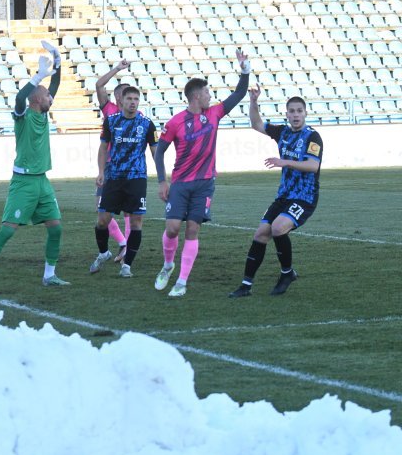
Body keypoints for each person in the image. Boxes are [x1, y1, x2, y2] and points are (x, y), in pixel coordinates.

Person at [0, 41, 68, 291]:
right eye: (46, 95)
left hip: (42, 181)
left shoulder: (43, 112)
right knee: (8, 230)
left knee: (56, 228)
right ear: (37, 100)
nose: (50, 98)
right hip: (23, 182)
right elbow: (20, 96)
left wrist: (57, 60)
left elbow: (55, 84)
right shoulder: (23, 115)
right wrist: (38, 76)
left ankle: (49, 275)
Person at [153, 50, 251, 297]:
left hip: (205, 183)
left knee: (193, 229)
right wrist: (162, 181)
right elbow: (159, 151)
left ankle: (182, 281)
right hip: (180, 184)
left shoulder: (215, 113)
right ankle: (168, 265)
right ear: (196, 96)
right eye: (207, 92)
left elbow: (239, 94)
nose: (210, 96)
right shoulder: (176, 122)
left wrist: (245, 69)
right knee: (173, 228)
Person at [229, 89, 323, 297]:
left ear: (305, 113)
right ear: (287, 114)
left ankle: (286, 273)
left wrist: (285, 162)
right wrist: (253, 102)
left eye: (299, 111)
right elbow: (256, 124)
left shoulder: (313, 137)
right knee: (261, 233)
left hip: (305, 197)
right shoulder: (283, 132)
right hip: (284, 196)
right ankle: (246, 285)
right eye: (292, 111)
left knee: (279, 228)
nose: (296, 114)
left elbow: (312, 166)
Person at [89, 86, 158, 277]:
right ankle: (104, 253)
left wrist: (162, 177)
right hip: (114, 178)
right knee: (102, 220)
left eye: (136, 99)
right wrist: (101, 171)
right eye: (130, 99)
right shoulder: (111, 122)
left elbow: (155, 152)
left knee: (136, 222)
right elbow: (103, 148)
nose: (133, 102)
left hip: (136, 178)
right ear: (122, 101)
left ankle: (127, 265)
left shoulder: (146, 124)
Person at [95, 59, 132, 262]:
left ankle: (126, 245)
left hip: (127, 168)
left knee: (127, 209)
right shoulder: (109, 110)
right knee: (101, 209)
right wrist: (117, 68)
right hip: (109, 166)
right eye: (127, 94)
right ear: (119, 96)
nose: (131, 99)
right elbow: (99, 85)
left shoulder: (137, 115)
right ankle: (123, 243)